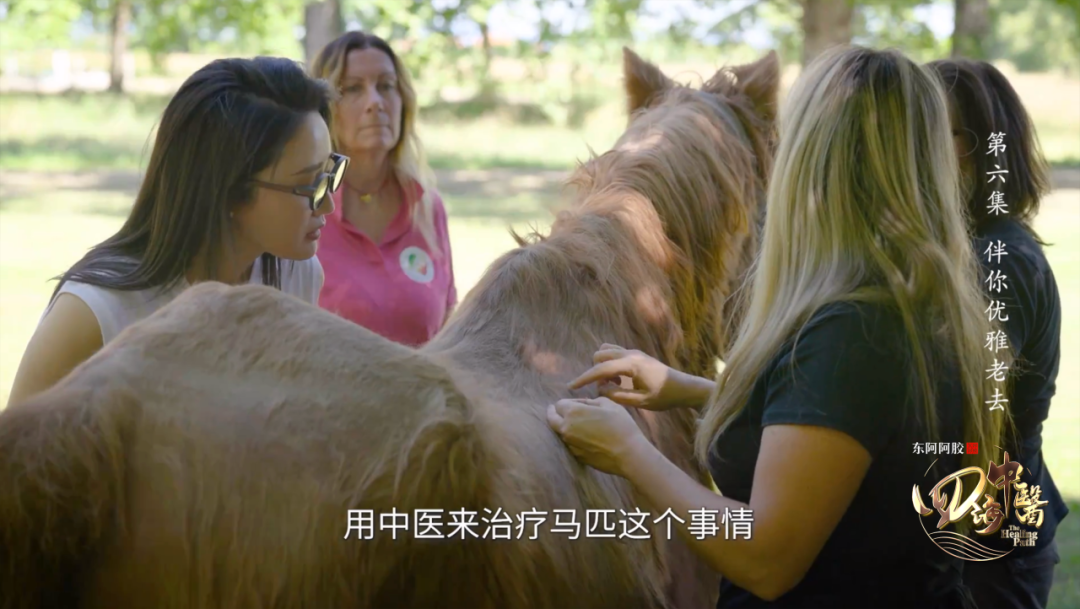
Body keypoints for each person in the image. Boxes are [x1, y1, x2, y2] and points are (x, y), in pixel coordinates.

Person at [546, 46, 1007, 608]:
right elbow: (849, 426)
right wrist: (685, 388)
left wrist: (629, 452)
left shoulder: (852, 331)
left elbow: (764, 558)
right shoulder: (911, 297)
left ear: (812, 160)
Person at [8, 56, 345, 406]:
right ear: (226, 190)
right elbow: (19, 440)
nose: (328, 206)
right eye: (310, 185)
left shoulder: (296, 276)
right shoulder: (94, 313)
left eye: (329, 174)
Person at [928, 57, 1067, 609]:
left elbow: (964, 427)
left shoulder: (996, 262)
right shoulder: (969, 250)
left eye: (933, 131)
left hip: (987, 550)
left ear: (980, 148)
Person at [308, 31, 457, 347]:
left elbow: (448, 328)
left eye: (386, 86)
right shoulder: (305, 208)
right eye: (352, 88)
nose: (375, 102)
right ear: (324, 109)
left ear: (404, 100)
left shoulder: (426, 207)